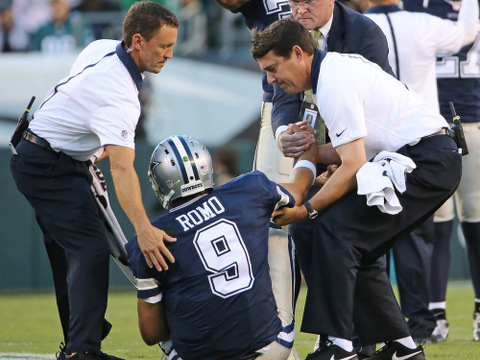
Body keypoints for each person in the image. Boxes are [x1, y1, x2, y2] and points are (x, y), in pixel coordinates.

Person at [252, 18, 462, 360]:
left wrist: (306, 208)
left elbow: (352, 164)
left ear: (297, 53)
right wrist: (313, 152)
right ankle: (403, 349)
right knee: (353, 244)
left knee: (338, 231)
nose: (270, 79)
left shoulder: (333, 82)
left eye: (273, 68)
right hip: (422, 157)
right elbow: (354, 149)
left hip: (426, 161)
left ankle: (339, 345)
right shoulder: (329, 73)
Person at [10, 2, 178, 359]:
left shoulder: (102, 47)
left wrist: (87, 149)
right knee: (90, 250)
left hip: (44, 155)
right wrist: (143, 228)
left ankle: (77, 344)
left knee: (69, 251)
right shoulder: (120, 94)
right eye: (163, 46)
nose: (170, 54)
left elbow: (77, 99)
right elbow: (122, 169)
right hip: (48, 165)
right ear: (137, 41)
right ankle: (82, 351)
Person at [126, 134, 317, 360]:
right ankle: (280, 341)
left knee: (163, 301)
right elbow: (300, 188)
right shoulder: (248, 189)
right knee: (276, 235)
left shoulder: (150, 239)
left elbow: (151, 334)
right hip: (268, 352)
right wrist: (309, 146)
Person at [363, 0, 478, 343]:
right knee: (419, 233)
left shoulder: (355, 26)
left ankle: (378, 326)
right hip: (425, 137)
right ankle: (424, 319)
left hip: (377, 139)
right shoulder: (418, 19)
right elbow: (466, 33)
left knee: (376, 234)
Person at [402, 0, 480, 343]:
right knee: (435, 224)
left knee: (476, 217)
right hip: (432, 125)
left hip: (475, 119)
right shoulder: (414, 8)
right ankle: (434, 314)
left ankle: (478, 310)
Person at [31, 0, 95, 53]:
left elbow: (87, 50)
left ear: (67, 6)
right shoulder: (43, 29)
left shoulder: (78, 26)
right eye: (54, 5)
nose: (57, 8)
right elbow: (35, 52)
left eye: (59, 4)